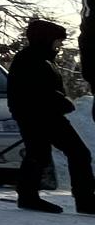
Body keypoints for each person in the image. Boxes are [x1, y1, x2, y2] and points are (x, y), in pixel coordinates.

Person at [6, 17, 95, 214]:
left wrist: (60, 101)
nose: (60, 44)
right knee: (66, 153)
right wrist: (60, 101)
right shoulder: (29, 59)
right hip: (37, 117)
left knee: (48, 154)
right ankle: (81, 199)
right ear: (46, 38)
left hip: (47, 115)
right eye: (58, 40)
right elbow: (32, 92)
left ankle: (83, 199)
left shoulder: (44, 58)